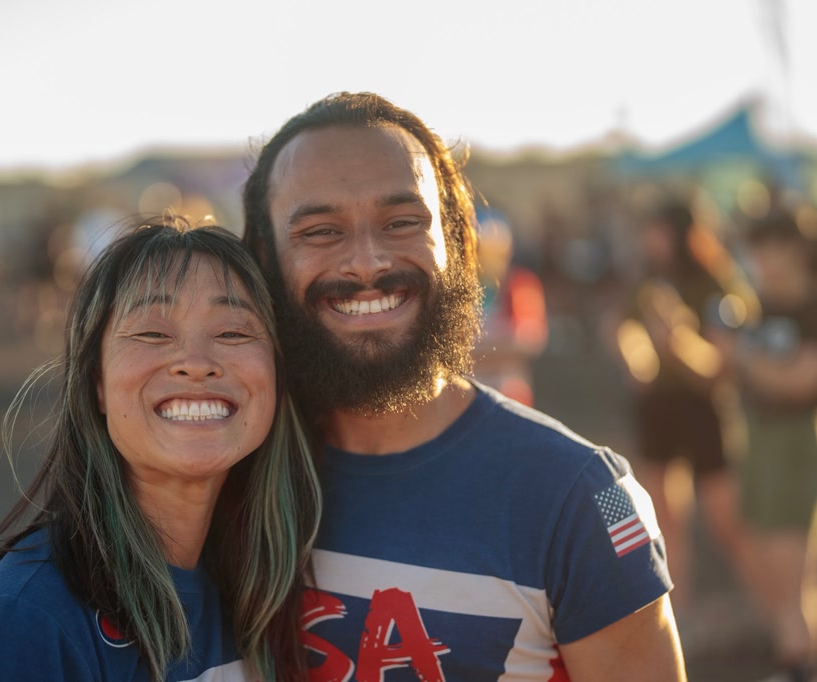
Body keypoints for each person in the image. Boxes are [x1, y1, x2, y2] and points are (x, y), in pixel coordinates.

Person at [242, 92, 685, 680]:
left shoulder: (587, 494)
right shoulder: (229, 477)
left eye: (402, 222)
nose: (368, 262)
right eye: (321, 232)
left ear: (455, 241)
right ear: (264, 260)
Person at [0, 220, 322, 681]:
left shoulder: (266, 595)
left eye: (233, 333)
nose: (196, 364)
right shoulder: (23, 622)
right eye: (153, 334)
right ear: (96, 383)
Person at [613, 199, 759, 615]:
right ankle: (677, 617)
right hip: (658, 409)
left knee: (725, 520)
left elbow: (717, 368)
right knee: (664, 520)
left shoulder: (717, 284)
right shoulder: (646, 277)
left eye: (658, 231)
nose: (650, 240)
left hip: (703, 408)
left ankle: (771, 606)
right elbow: (625, 328)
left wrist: (677, 338)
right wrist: (635, 357)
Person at [724, 208, 817, 682]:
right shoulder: (758, 304)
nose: (762, 260)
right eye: (756, 249)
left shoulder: (808, 307)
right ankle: (793, 650)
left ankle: (799, 658)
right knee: (760, 548)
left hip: (798, 442)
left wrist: (741, 355)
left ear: (796, 248)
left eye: (771, 247)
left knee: (788, 560)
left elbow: (800, 382)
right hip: (758, 438)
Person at [470, 207, 548, 407]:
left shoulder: (520, 284)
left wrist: (475, 347)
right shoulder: (457, 290)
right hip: (465, 396)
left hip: (508, 394)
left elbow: (528, 340)